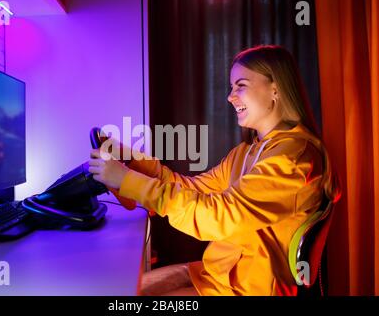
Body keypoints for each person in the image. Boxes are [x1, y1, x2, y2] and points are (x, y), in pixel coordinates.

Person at [89, 45, 339, 296]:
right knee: (125, 290)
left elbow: (217, 216)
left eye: (241, 85)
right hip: (215, 275)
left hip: (247, 290)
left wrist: (128, 180)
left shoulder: (293, 158)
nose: (231, 96)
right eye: (232, 87)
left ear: (275, 89)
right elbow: (190, 188)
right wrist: (130, 161)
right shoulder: (246, 152)